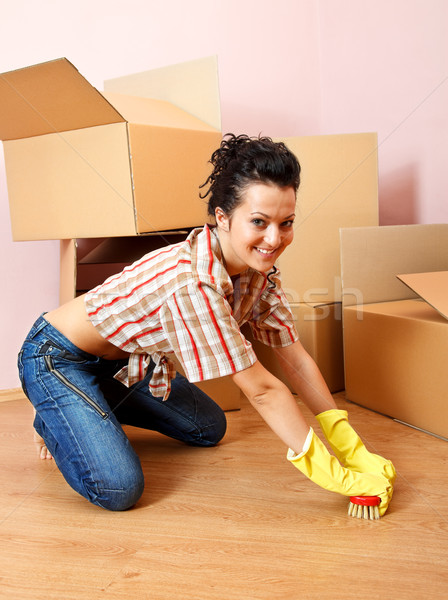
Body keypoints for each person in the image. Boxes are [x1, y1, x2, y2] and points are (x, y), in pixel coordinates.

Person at [18, 134, 395, 513]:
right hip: (57, 356)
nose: (274, 238)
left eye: (287, 222)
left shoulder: (257, 274)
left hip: (122, 363)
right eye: (259, 222)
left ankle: (88, 399)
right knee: (119, 490)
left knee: (209, 428)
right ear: (223, 218)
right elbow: (262, 391)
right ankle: (53, 410)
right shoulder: (193, 284)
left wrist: (351, 447)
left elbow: (294, 359)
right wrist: (332, 473)